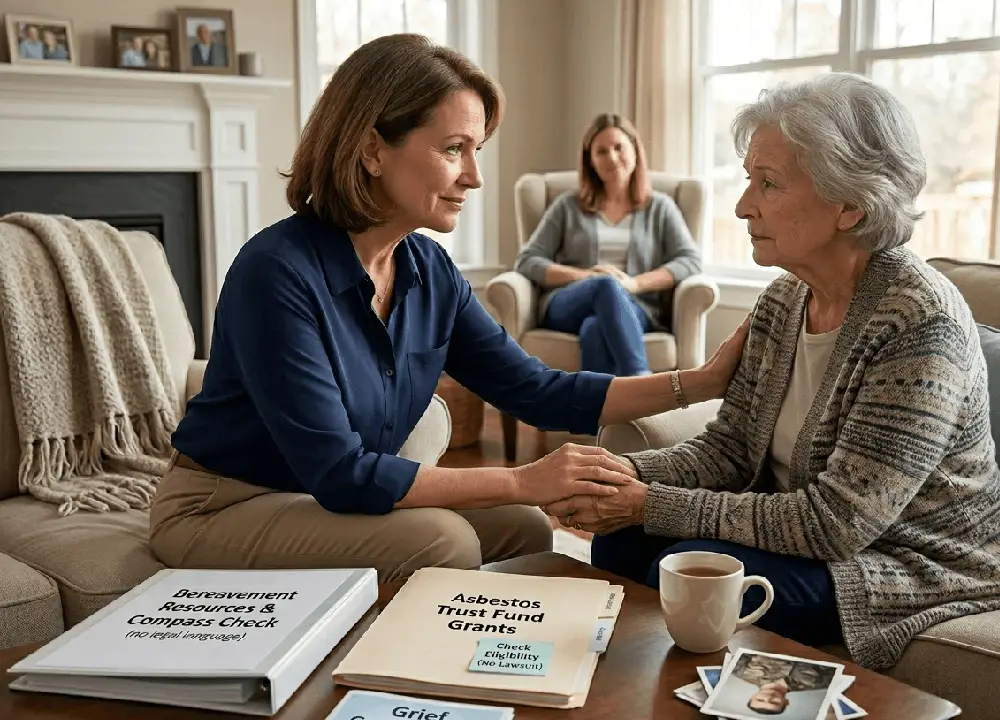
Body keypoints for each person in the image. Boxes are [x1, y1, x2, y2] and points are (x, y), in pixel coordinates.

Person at [148, 33, 749, 584]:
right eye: (454, 149)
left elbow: (537, 389)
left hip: (317, 496)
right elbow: (341, 472)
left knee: (529, 529)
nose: (475, 177)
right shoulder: (275, 272)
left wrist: (699, 383)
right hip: (224, 503)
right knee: (441, 542)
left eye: (477, 149)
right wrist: (523, 479)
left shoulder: (429, 270)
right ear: (372, 150)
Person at [544, 72, 1000, 669]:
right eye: (748, 179)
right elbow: (731, 450)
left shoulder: (919, 324)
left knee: (689, 564)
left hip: (904, 559)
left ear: (852, 204)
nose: (742, 205)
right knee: (622, 538)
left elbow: (836, 523)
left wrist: (646, 502)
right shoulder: (786, 300)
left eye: (769, 184)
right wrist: (617, 476)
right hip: (809, 531)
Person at [513, 113, 702, 376]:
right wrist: (586, 277)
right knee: (604, 284)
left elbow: (690, 261)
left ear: (635, 152)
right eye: (601, 151)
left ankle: (593, 417)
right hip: (569, 302)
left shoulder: (660, 207)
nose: (611, 157)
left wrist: (635, 284)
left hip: (636, 306)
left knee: (594, 329)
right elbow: (528, 260)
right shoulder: (568, 206)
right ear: (591, 160)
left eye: (618, 148)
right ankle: (640, 382)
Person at [730, 655, 836, 715]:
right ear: (786, 702)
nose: (769, 697)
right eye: (774, 702)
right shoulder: (816, 684)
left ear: (753, 696)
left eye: (760, 700)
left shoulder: (740, 672)